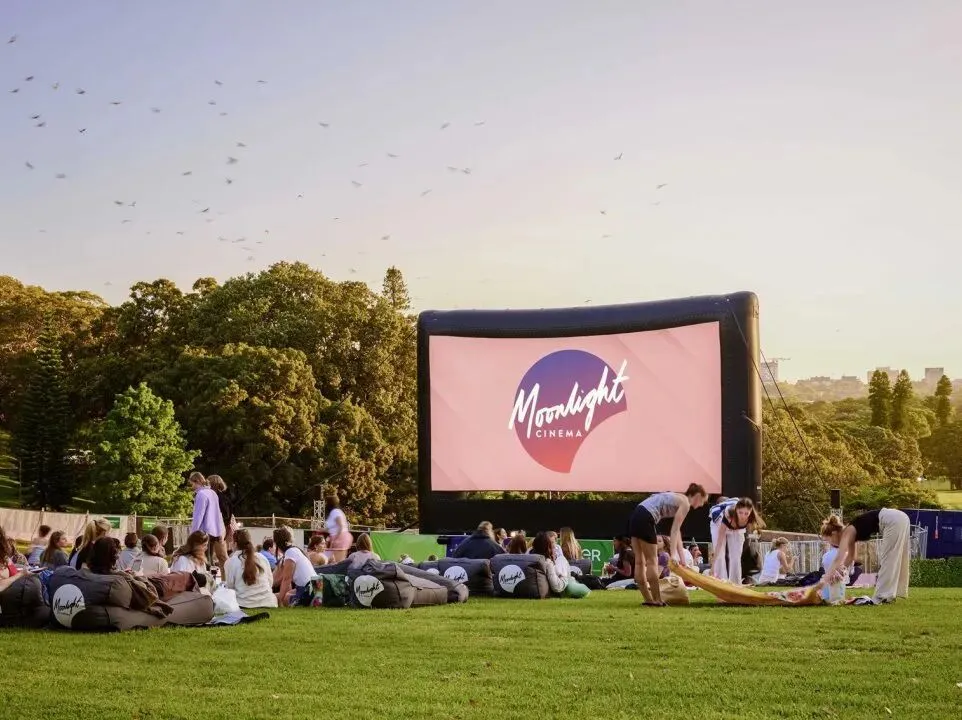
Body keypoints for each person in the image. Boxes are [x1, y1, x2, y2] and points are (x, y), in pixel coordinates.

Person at [628, 483, 708, 606]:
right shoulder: (685, 503)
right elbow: (674, 530)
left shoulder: (677, 497)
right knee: (652, 561)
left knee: (640, 562)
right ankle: (657, 600)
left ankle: (649, 600)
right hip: (646, 516)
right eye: (703, 501)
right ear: (697, 495)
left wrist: (682, 559)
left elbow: (678, 532)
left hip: (636, 515)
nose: (701, 505)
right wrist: (673, 555)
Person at [817, 509, 912, 603]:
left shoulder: (847, 533)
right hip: (901, 518)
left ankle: (881, 596)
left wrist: (823, 582)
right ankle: (889, 595)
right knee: (896, 557)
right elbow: (851, 557)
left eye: (828, 540)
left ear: (833, 534)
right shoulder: (850, 533)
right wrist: (840, 571)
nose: (830, 543)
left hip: (893, 520)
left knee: (888, 559)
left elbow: (838, 558)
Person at [709, 497, 764, 584]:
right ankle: (720, 580)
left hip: (736, 526)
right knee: (720, 554)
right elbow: (719, 543)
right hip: (719, 520)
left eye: (746, 513)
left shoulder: (751, 518)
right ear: (736, 510)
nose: (743, 516)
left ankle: (735, 582)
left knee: (736, 555)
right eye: (740, 512)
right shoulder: (728, 514)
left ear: (750, 512)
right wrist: (713, 566)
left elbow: (756, 531)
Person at [225, 529, 277, 608]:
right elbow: (270, 581)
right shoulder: (262, 558)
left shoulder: (231, 562)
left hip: (243, 604)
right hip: (268, 602)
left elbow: (230, 587)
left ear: (235, 544)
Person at [530, 532, 590, 598]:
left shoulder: (529, 558)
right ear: (548, 547)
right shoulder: (548, 562)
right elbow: (557, 587)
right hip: (560, 585)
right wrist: (566, 578)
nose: (554, 547)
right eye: (552, 544)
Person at [188, 472, 226, 578]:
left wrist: (193, 533)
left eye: (192, 484)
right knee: (212, 559)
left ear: (197, 481)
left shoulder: (201, 494)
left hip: (204, 531)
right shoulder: (212, 493)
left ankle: (204, 581)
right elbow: (217, 513)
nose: (192, 487)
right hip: (216, 530)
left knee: (202, 559)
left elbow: (198, 516)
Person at [273, 526, 316, 607]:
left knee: (278, 597)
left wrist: (280, 600)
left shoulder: (290, 553)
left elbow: (287, 579)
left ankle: (310, 602)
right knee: (282, 595)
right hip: (313, 588)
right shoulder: (296, 550)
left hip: (308, 591)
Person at [324, 494, 352, 562]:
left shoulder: (336, 512)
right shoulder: (333, 512)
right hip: (336, 538)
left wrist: (336, 539)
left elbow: (341, 526)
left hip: (340, 538)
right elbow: (332, 528)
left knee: (338, 562)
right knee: (333, 561)